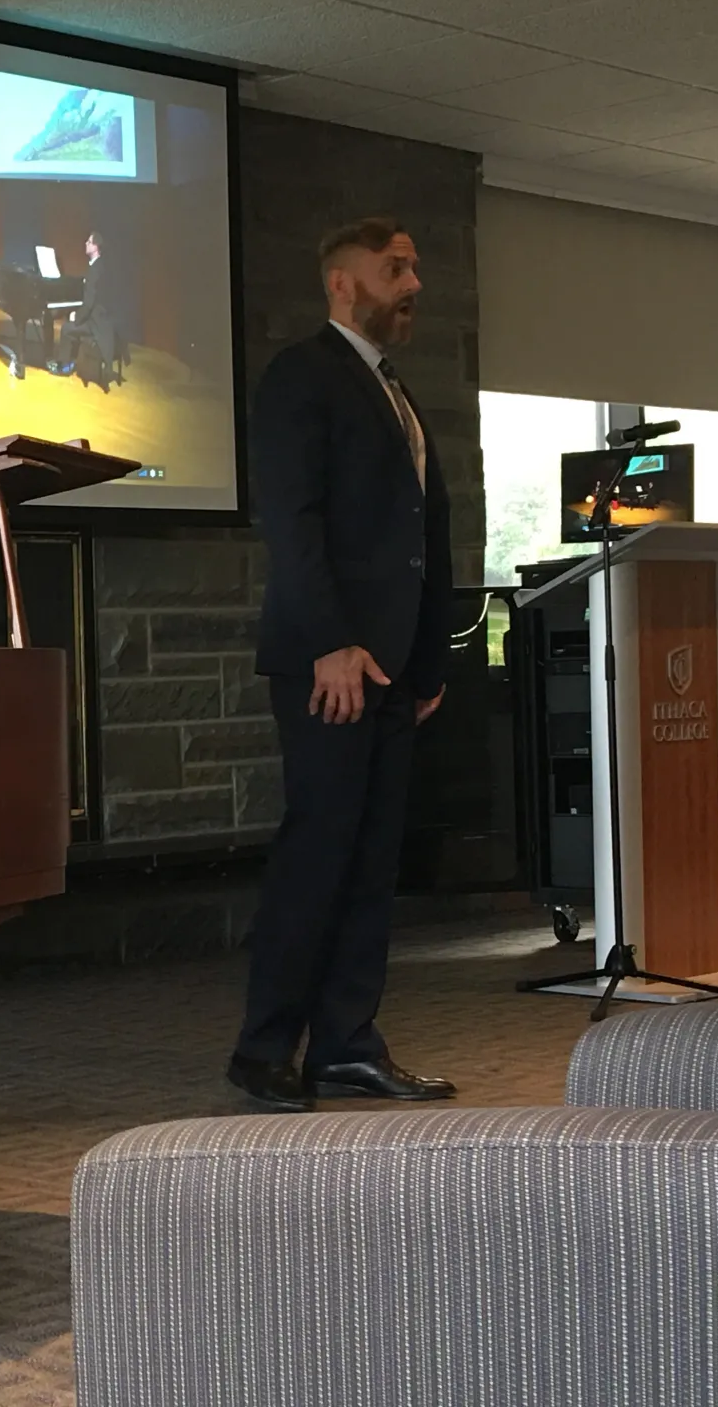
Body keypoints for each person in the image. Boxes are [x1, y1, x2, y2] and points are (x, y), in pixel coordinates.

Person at [227, 217, 455, 1113]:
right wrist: (330, 642)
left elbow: (422, 539)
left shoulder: (397, 393)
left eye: (415, 266)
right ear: (340, 281)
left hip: (395, 670)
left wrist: (429, 662)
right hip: (329, 663)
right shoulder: (303, 376)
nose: (413, 283)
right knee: (320, 854)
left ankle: (348, 1043)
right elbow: (294, 519)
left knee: (371, 862)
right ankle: (265, 1047)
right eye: (394, 266)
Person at [50, 232, 113, 376]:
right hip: (103, 320)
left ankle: (64, 367)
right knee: (72, 325)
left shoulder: (94, 272)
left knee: (67, 328)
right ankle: (70, 360)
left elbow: (89, 303)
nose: (86, 243)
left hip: (96, 324)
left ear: (96, 247)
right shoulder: (100, 266)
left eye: (89, 242)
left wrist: (77, 317)